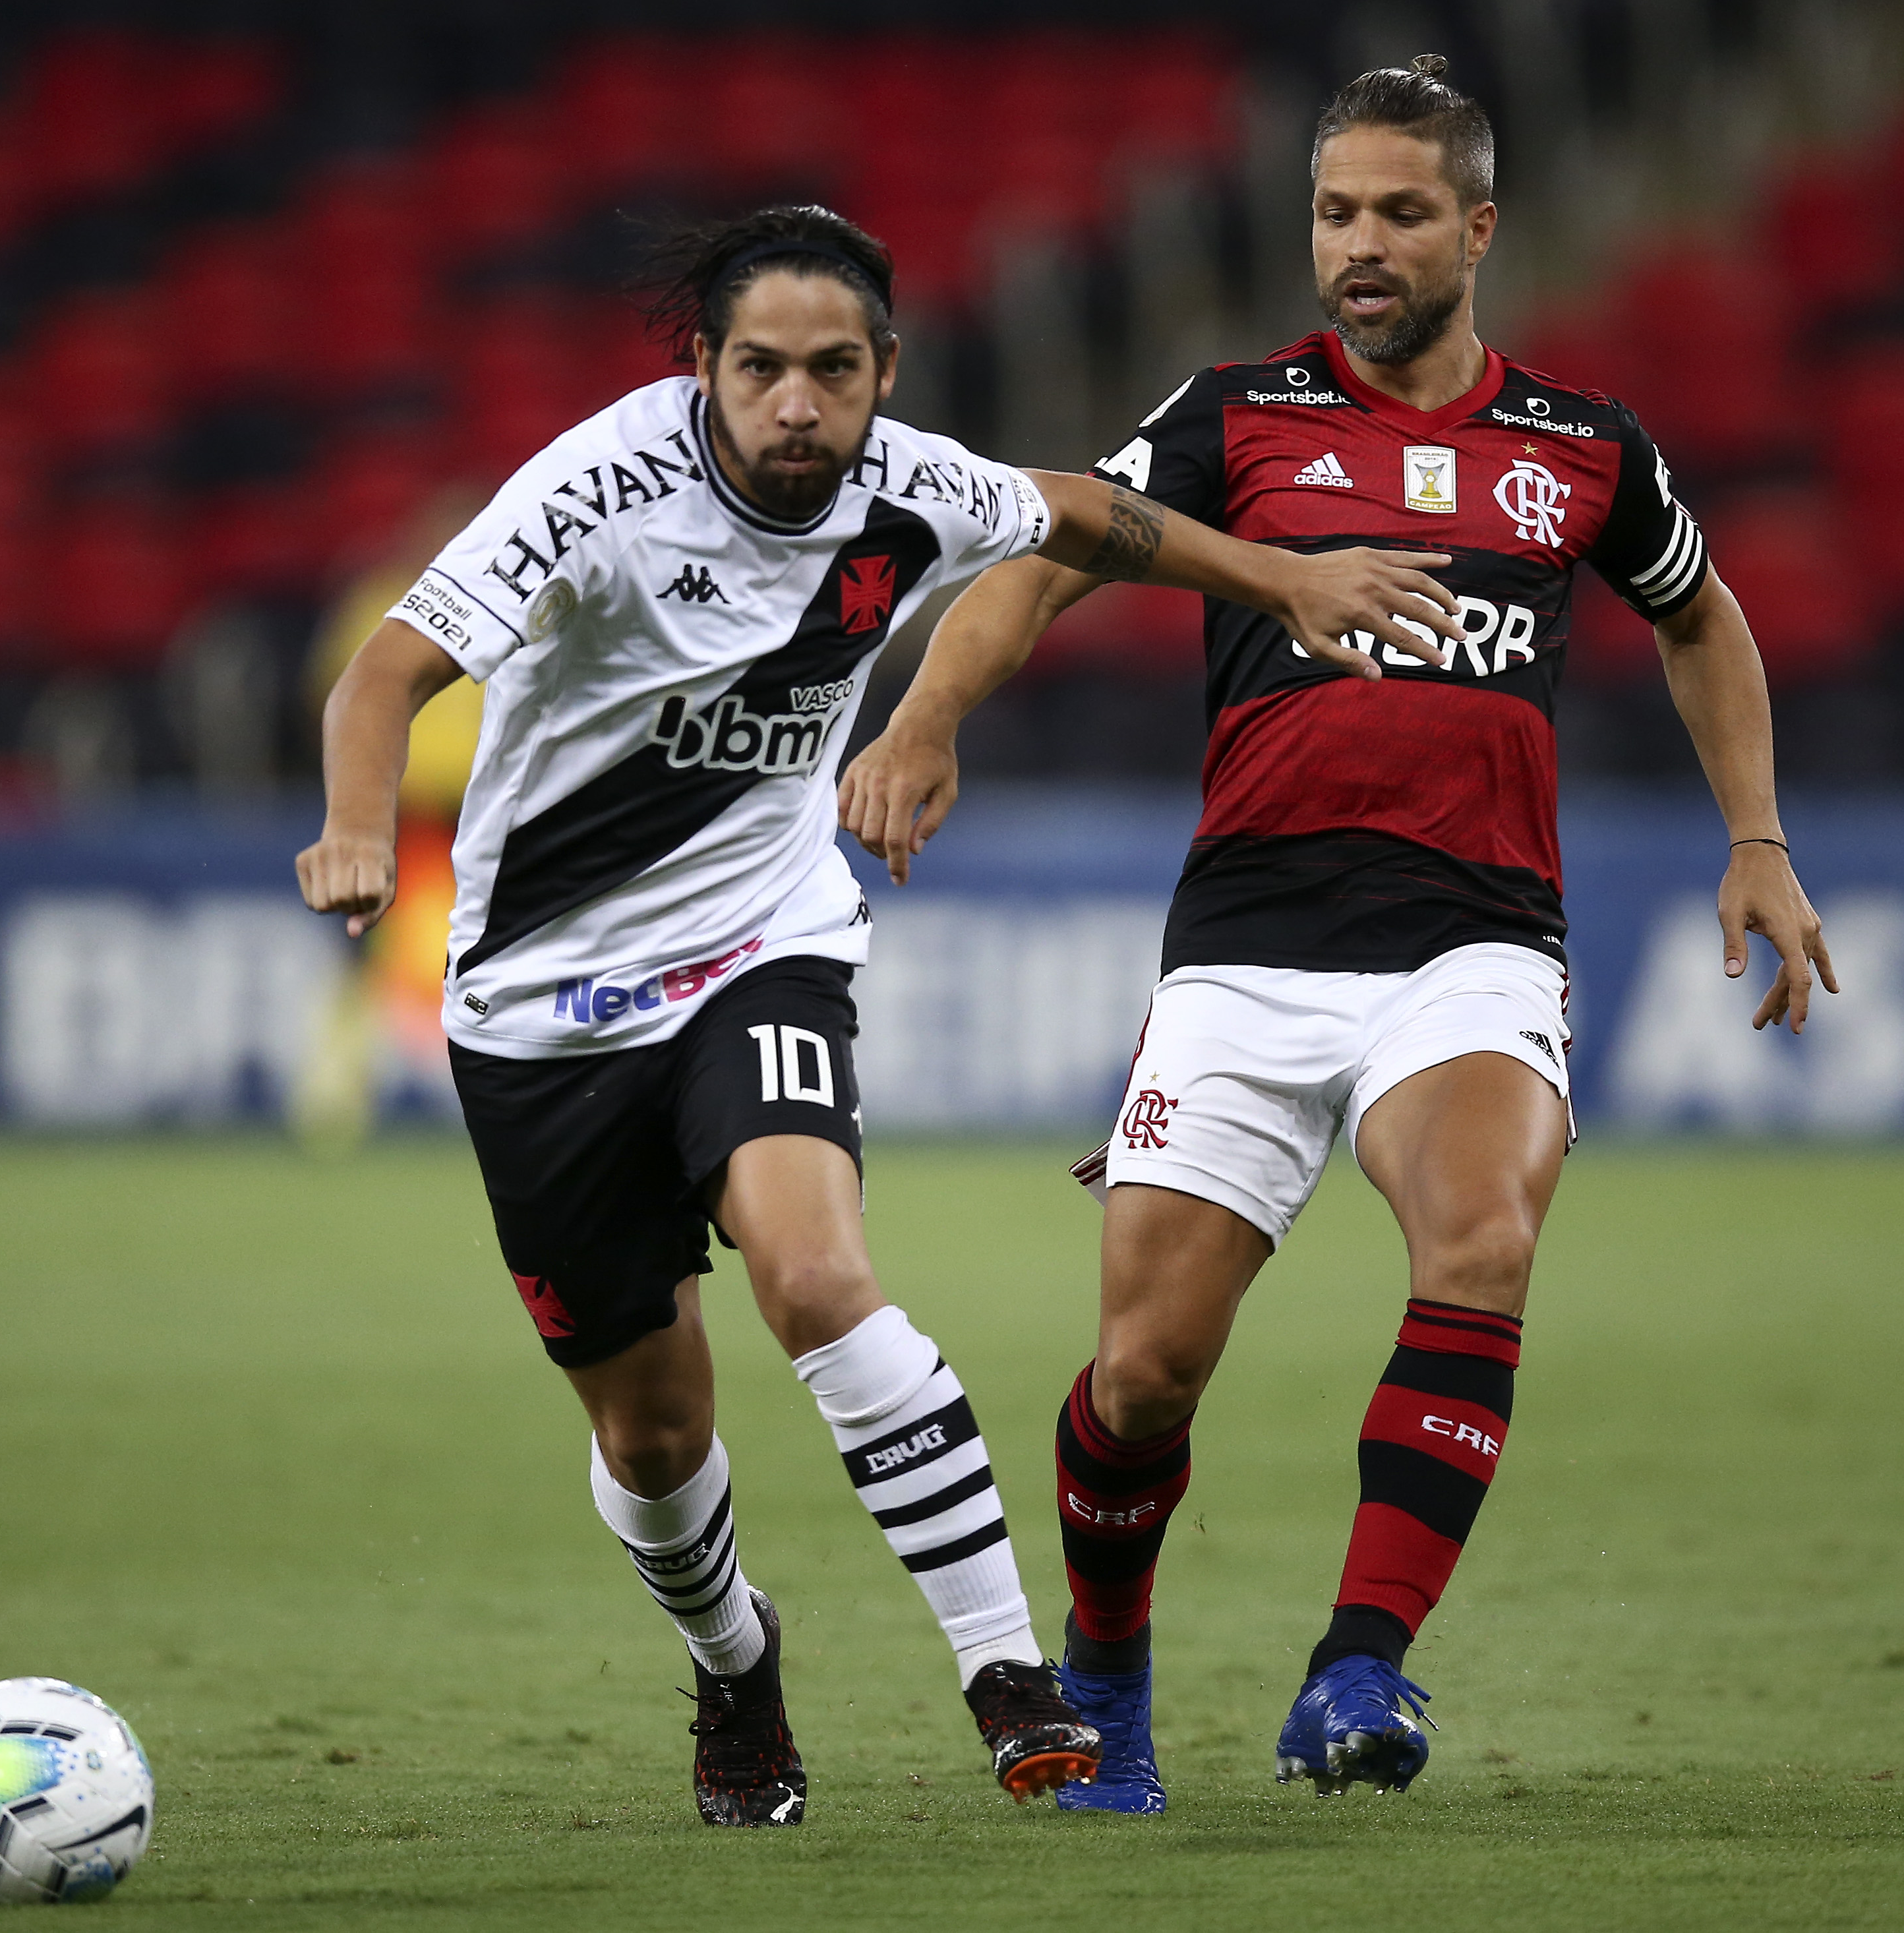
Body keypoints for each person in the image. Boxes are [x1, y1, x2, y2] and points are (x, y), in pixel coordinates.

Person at [295, 203, 1474, 1827]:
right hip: (544, 1009)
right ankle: (734, 1665)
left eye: (833, 371)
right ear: (703, 368)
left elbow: (1084, 519)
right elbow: (382, 678)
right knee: (653, 1439)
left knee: (815, 1270)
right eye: (761, 369)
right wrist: (360, 825)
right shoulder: (595, 490)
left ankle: (1007, 1677)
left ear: (883, 372)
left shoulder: (906, 482)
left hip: (758, 950)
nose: (798, 406)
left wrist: (1273, 577)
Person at [840, 59, 1837, 1813]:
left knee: (1483, 1233)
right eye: (1332, 213)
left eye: (1395, 212)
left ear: (1478, 227)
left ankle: (1359, 1662)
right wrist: (927, 714)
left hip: (1476, 939)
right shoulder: (1237, 415)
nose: (1358, 246)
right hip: (1248, 948)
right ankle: (1110, 1671)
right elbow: (1048, 543)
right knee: (1144, 1376)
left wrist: (1756, 835)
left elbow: (1705, 618)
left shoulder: (1583, 449)